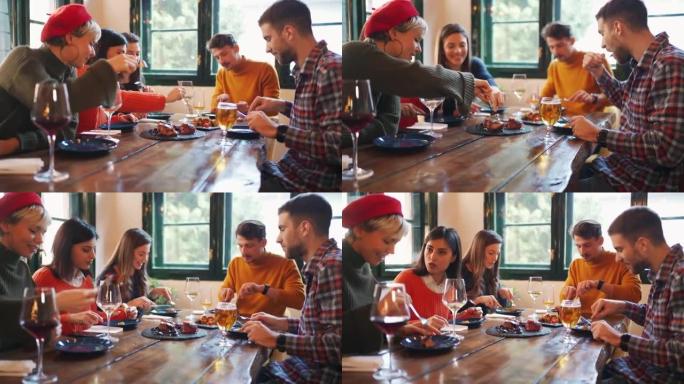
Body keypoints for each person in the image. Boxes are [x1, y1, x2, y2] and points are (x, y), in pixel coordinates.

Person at [343, 0, 503, 141]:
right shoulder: (357, 52)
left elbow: (389, 126)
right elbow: (413, 75)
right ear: (393, 33)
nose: (419, 48)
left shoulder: (385, 68)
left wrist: (376, 122)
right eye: (416, 39)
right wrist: (467, 82)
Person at [569, 0, 684, 191]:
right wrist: (598, 71)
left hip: (641, 182)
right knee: (563, 175)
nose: (603, 44)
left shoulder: (670, 64)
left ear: (618, 28)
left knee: (559, 183)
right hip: (620, 169)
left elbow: (666, 149)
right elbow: (625, 99)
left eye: (602, 33)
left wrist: (599, 134)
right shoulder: (647, 63)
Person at [0, 4, 137, 155]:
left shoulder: (69, 69)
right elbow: (56, 107)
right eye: (91, 43)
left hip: (24, 159)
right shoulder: (23, 58)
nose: (93, 52)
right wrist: (108, 68)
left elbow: (67, 132)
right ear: (70, 37)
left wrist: (17, 143)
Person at [241, 194, 341, 383]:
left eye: (282, 229)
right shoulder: (321, 264)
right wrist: (279, 322)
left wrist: (276, 339)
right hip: (303, 367)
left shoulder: (332, 266)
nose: (278, 238)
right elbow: (317, 329)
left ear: (304, 228)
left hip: (319, 375)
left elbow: (337, 345)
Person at [245, 0, 343, 192]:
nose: (267, 48)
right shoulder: (306, 68)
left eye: (268, 38)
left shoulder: (331, 68)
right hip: (286, 171)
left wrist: (277, 130)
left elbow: (338, 146)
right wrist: (283, 106)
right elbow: (318, 119)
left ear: (289, 32)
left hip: (304, 183)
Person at [341, 194, 446, 355]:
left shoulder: (364, 266)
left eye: (395, 243)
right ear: (359, 230)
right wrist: (379, 308)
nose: (392, 251)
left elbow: (362, 331)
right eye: (387, 241)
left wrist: (401, 331)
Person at [590, 207, 683, 383]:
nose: (617, 258)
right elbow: (660, 320)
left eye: (620, 249)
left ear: (642, 244)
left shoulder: (681, 276)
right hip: (642, 369)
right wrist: (622, 306)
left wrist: (619, 338)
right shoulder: (663, 272)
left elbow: (680, 354)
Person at [0, 193, 96, 352]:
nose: (40, 240)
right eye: (33, 230)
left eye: (43, 232)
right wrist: (53, 303)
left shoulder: (22, 269)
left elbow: (29, 324)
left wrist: (50, 330)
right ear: (5, 224)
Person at [76, 29, 183, 132]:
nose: (126, 57)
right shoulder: (82, 73)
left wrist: (120, 119)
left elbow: (99, 122)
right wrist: (165, 99)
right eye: (120, 53)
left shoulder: (107, 78)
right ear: (103, 52)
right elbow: (123, 98)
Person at [32, 218, 105, 335]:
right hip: (55, 349)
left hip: (84, 346)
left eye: (94, 249)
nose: (93, 256)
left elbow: (92, 317)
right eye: (86, 250)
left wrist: (120, 311)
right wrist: (69, 317)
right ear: (66, 248)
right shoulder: (43, 277)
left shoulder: (86, 280)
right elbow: (35, 319)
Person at [218, 220, 305, 316]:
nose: (243, 252)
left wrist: (263, 289)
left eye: (249, 245)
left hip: (270, 326)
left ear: (263, 242)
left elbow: (299, 301)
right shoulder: (235, 263)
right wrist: (225, 293)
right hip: (239, 324)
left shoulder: (286, 265)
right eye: (240, 246)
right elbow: (223, 291)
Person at [559, 219, 641, 317]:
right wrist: (567, 293)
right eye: (578, 246)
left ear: (600, 241)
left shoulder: (622, 261)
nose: (582, 252)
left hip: (611, 324)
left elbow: (635, 295)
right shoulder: (576, 265)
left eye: (587, 245)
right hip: (579, 322)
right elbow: (563, 299)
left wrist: (599, 285)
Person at [540, 22, 613, 116]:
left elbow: (613, 98)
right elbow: (544, 97)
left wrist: (593, 98)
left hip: (591, 122)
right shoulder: (554, 66)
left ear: (572, 41)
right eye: (551, 47)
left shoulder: (594, 61)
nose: (555, 52)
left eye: (559, 45)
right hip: (564, 122)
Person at [394, 226, 462, 321]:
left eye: (441, 252)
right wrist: (424, 324)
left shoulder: (450, 286)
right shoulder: (406, 278)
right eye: (429, 249)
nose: (433, 257)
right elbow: (390, 323)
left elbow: (442, 320)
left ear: (453, 257)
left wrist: (464, 315)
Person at [96, 228, 173, 311]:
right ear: (128, 253)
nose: (145, 259)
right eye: (141, 254)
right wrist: (129, 305)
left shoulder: (137, 273)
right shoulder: (109, 276)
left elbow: (138, 302)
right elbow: (103, 315)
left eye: (147, 254)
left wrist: (152, 293)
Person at [207, 33, 280, 115]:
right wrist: (231, 106)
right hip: (230, 125)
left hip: (258, 126)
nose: (221, 61)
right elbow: (213, 109)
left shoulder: (265, 69)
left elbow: (273, 110)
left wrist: (243, 109)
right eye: (217, 58)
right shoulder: (221, 73)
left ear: (236, 49)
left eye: (224, 54)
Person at [461, 230, 513, 310]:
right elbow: (453, 309)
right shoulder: (460, 271)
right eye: (491, 253)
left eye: (497, 253)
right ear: (478, 251)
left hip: (485, 321)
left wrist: (500, 294)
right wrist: (477, 300)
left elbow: (496, 309)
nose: (495, 258)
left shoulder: (489, 270)